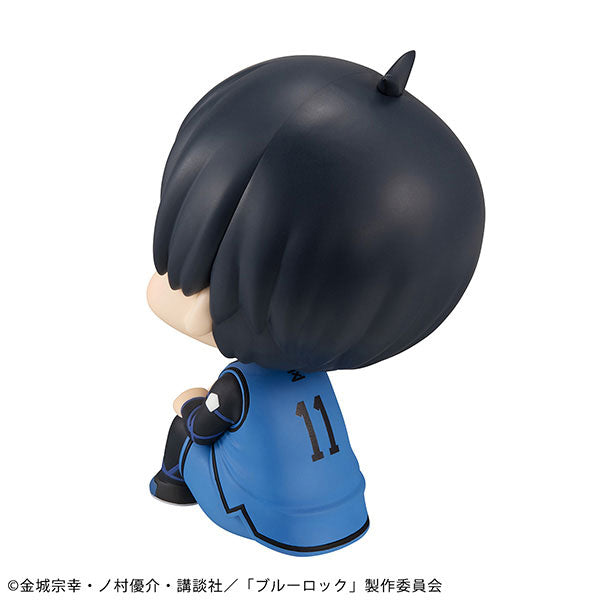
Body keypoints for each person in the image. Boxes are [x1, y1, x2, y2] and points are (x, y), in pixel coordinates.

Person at [147, 51, 485, 555]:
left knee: (183, 431)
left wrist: (190, 402)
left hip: (260, 516)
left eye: (205, 279)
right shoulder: (315, 375)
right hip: (347, 512)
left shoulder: (237, 386)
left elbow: (204, 424)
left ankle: (172, 485)